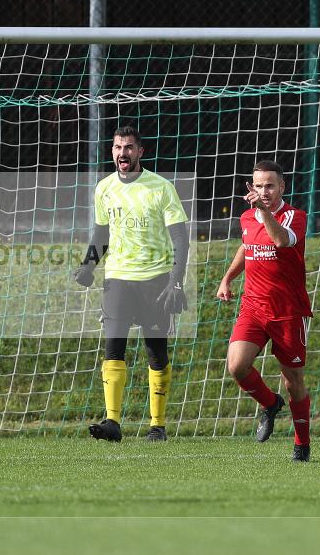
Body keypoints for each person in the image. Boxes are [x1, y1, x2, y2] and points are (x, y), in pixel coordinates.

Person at [74, 126, 190, 442]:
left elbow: (180, 237)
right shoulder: (104, 188)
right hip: (118, 279)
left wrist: (176, 282)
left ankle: (158, 425)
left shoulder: (161, 188)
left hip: (156, 280)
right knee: (114, 346)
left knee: (156, 352)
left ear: (140, 152)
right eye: (117, 147)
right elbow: (102, 234)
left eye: (128, 147)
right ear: (112, 152)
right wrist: (88, 266)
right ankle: (112, 422)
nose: (122, 153)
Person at [216, 160, 313, 462]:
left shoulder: (295, 216)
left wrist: (265, 213)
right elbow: (248, 247)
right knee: (236, 366)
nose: (264, 191)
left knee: (293, 381)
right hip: (253, 307)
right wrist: (227, 278)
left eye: (270, 185)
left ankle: (302, 443)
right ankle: (270, 404)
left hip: (287, 312)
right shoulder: (247, 217)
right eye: (258, 186)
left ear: (282, 187)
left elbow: (280, 240)